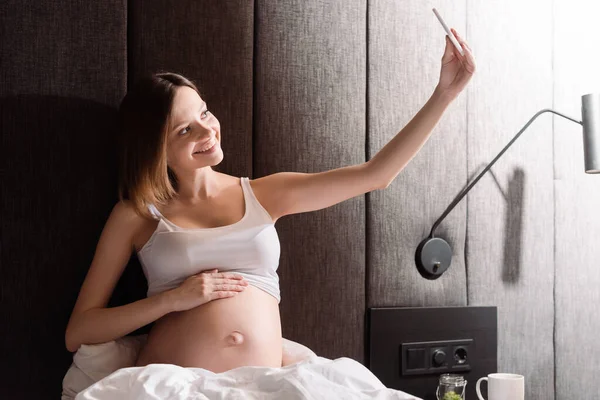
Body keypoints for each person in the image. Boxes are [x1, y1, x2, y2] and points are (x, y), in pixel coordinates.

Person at [65, 28, 476, 373]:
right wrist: (171, 299)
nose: (207, 131)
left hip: (263, 385)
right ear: (153, 148)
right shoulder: (138, 214)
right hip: (176, 386)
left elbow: (376, 175)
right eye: (184, 131)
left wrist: (443, 94)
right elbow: (79, 331)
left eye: (204, 114)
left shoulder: (264, 193)